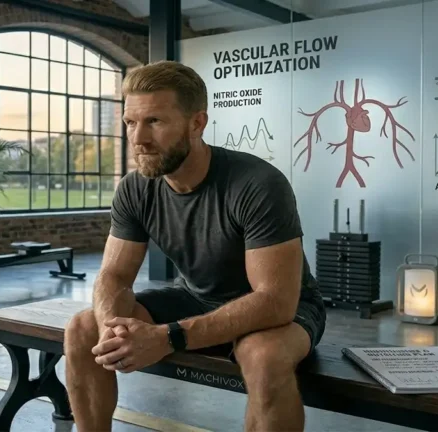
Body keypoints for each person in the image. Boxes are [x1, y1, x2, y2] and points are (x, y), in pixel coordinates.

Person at [63, 60, 326, 432]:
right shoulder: (135, 189)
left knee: (262, 356)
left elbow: (275, 300)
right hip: (196, 298)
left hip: (281, 308)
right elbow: (114, 276)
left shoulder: (258, 184)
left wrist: (168, 337)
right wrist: (112, 330)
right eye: (130, 122)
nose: (138, 138)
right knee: (83, 329)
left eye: (155, 121)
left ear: (197, 123)